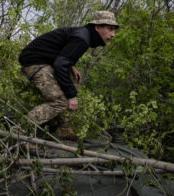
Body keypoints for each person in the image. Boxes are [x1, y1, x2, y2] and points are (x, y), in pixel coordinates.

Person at [19, 11, 119, 140]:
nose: (113, 34)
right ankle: (20, 132)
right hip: (34, 62)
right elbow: (60, 64)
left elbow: (61, 54)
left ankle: (64, 128)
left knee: (73, 79)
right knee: (61, 101)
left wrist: (71, 66)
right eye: (110, 29)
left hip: (45, 60)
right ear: (97, 27)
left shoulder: (84, 35)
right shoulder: (82, 38)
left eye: (114, 30)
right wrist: (71, 97)